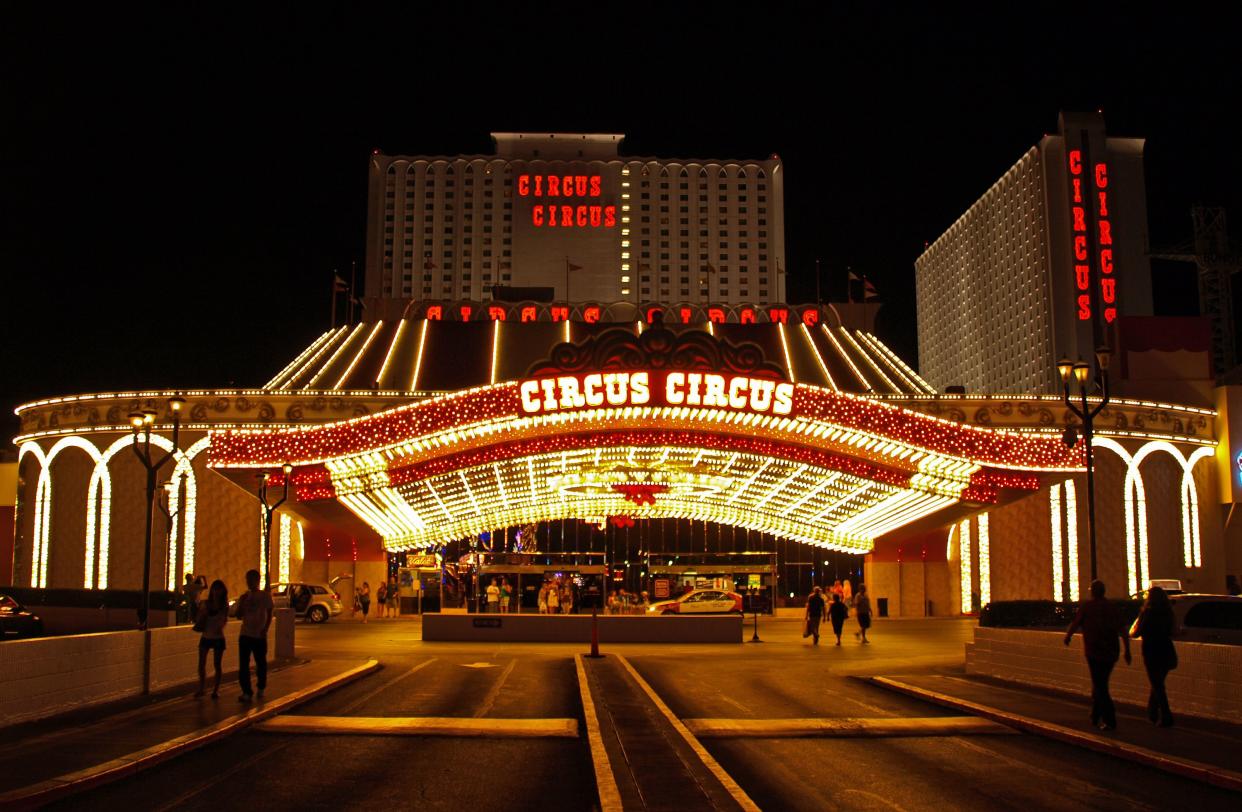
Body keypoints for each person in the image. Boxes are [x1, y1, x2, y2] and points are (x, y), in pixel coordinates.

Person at [1065, 580, 1132, 730]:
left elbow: (1076, 623)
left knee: (1100, 685)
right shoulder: (1112, 608)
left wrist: (1068, 636)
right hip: (1111, 651)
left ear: (1093, 591)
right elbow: (1122, 630)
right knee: (1100, 682)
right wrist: (1127, 650)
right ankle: (1095, 715)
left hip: (1094, 651)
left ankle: (1109, 719)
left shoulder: (1087, 607)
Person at [1130, 585, 1177, 727]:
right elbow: (1173, 631)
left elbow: (1136, 632)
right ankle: (1152, 712)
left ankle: (1165, 715)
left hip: (1151, 651)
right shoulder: (1168, 612)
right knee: (1158, 683)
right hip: (1166, 649)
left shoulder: (1148, 613)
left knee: (1157, 684)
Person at [233, 569, 273, 701]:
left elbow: (269, 613)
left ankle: (261, 686)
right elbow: (238, 615)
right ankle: (246, 691)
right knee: (243, 664)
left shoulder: (264, 596)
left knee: (260, 662)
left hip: (259, 635)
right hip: (245, 633)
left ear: (257, 580)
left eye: (251, 580)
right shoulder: (245, 597)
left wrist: (265, 629)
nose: (249, 582)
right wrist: (242, 603)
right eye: (247, 580)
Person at [194, 579, 228, 698]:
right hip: (206, 636)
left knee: (217, 664)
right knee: (201, 663)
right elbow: (198, 618)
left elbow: (223, 621)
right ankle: (202, 688)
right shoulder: (205, 604)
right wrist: (202, 614)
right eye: (215, 589)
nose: (216, 592)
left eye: (219, 589)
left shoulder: (224, 606)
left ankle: (216, 690)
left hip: (218, 637)